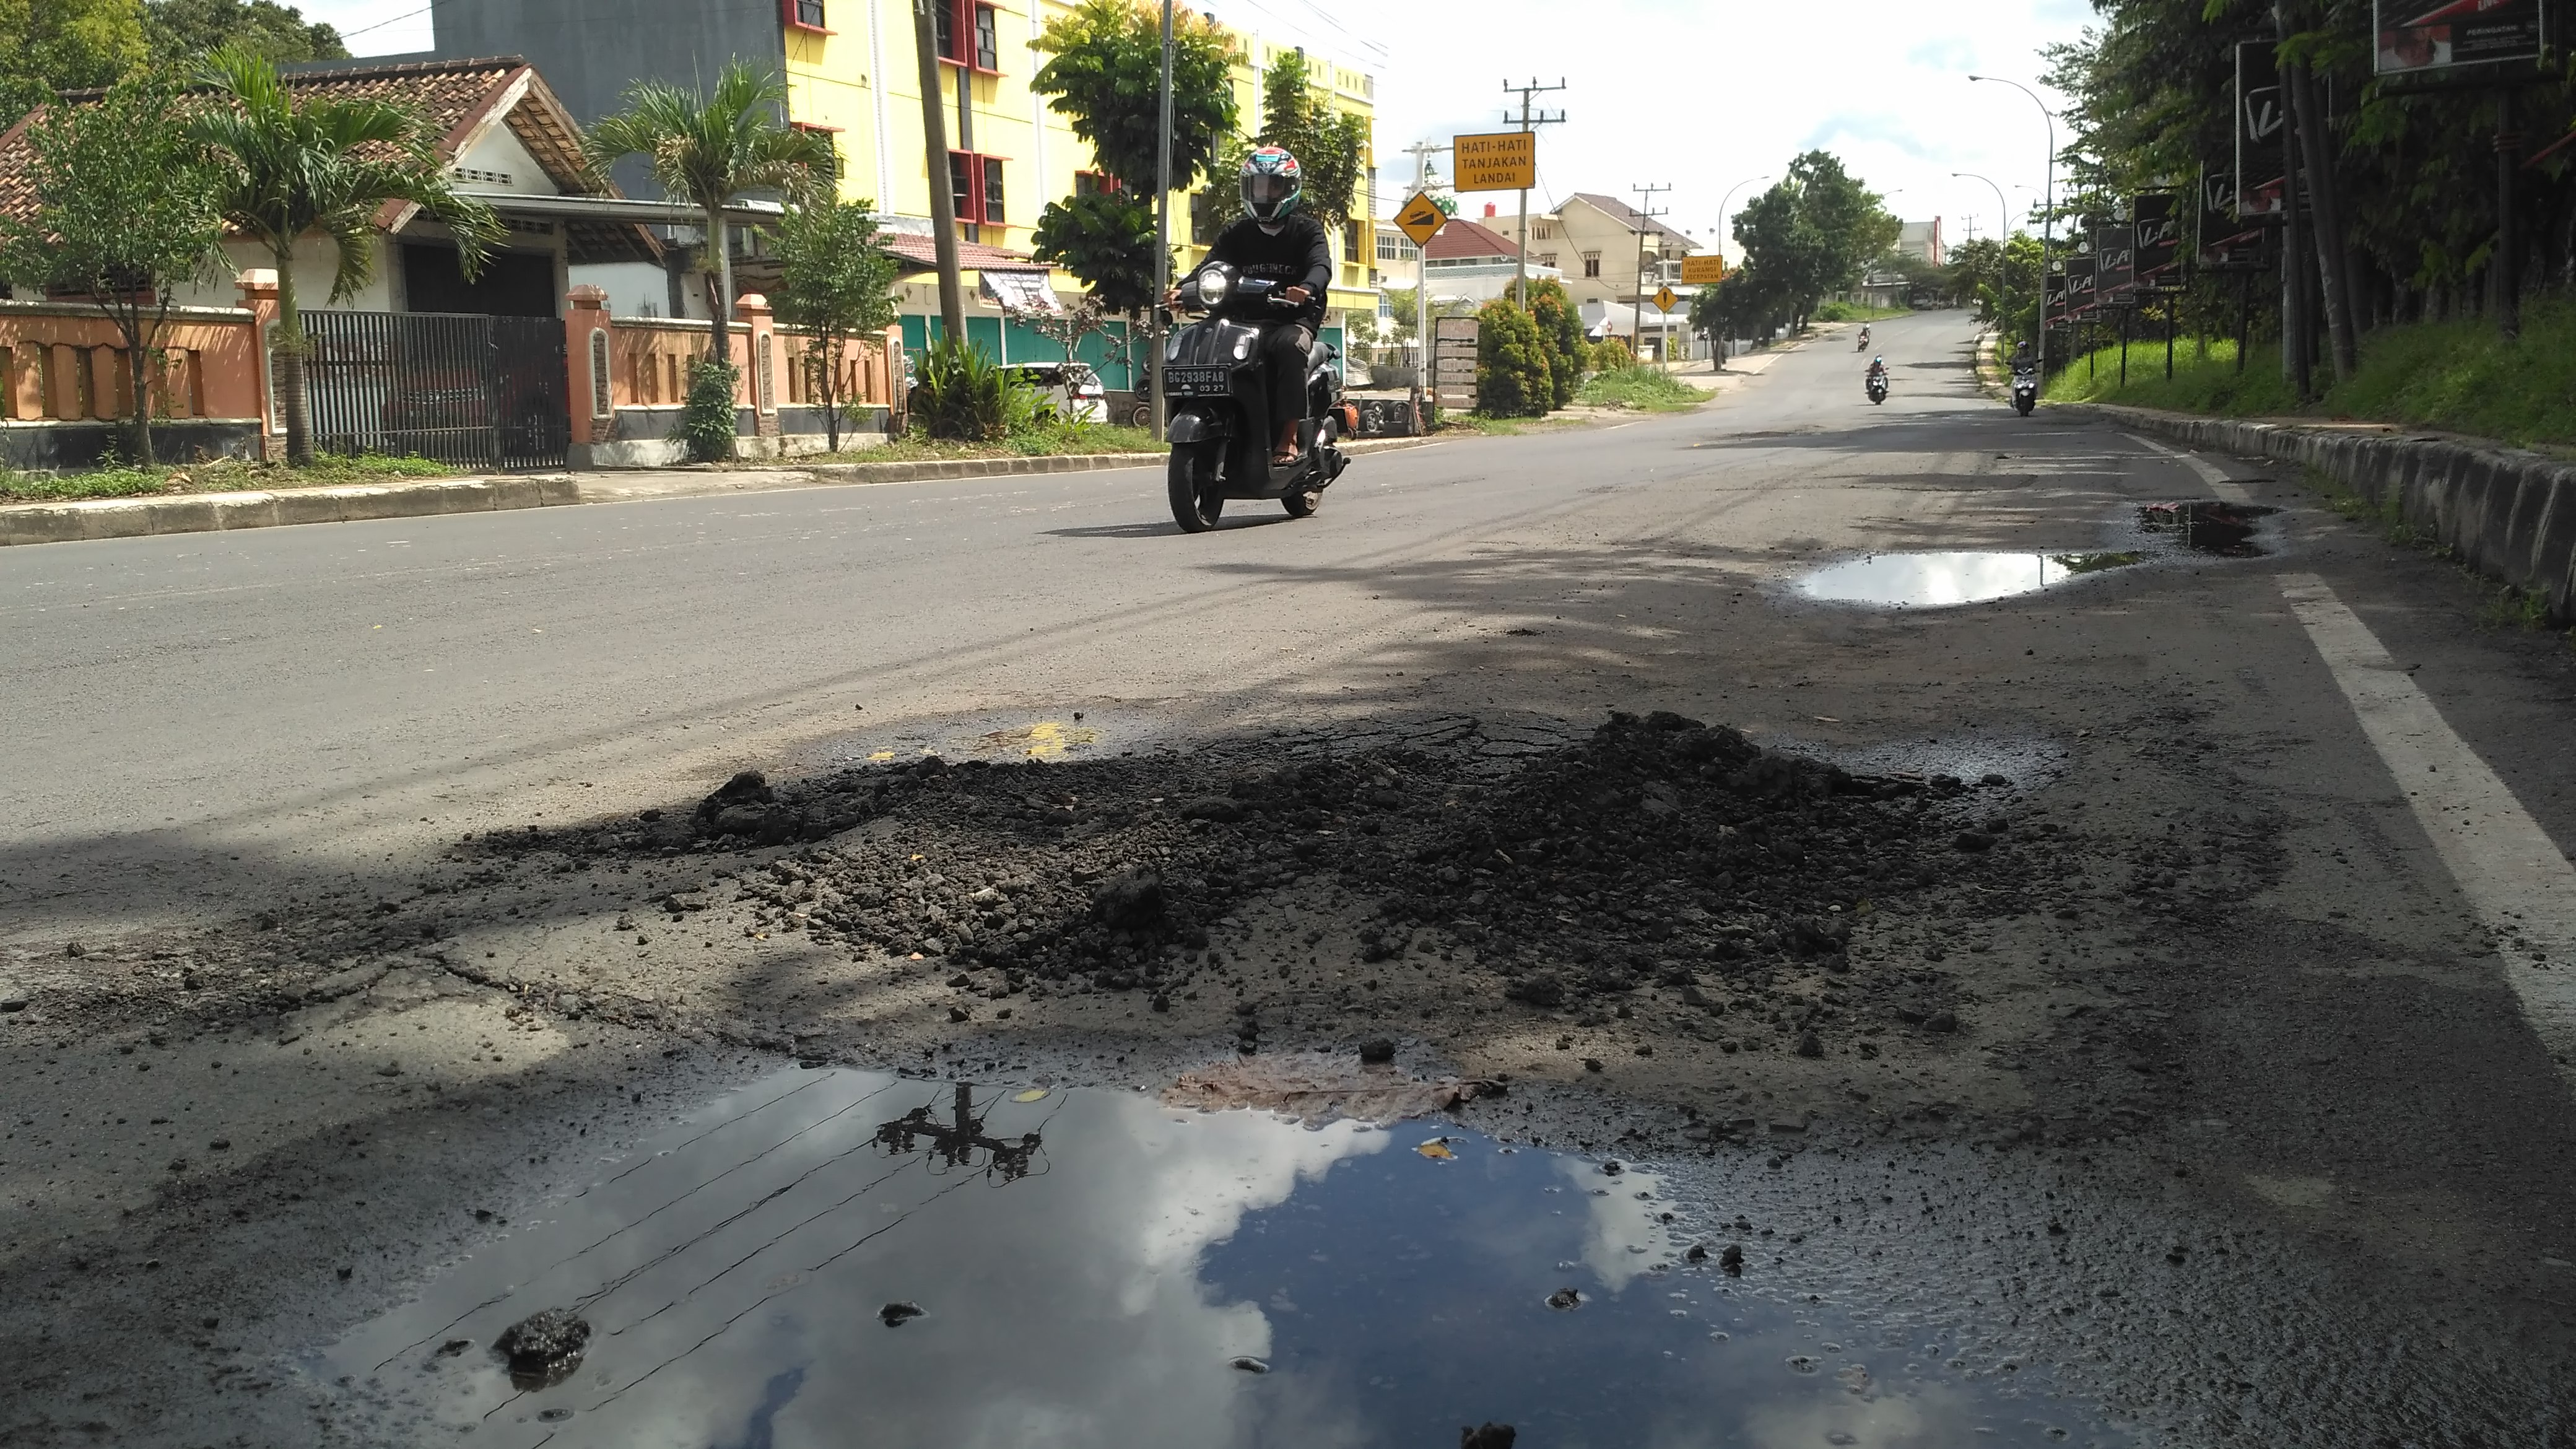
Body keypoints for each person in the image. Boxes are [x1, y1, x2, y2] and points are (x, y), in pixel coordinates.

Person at [1169, 146, 1334, 464]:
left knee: (1289, 348)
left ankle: (1287, 439)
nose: (1265, 193)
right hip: (1242, 319)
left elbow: (1321, 266)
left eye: (1273, 185)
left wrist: (1306, 288)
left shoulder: (1307, 231)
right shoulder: (1236, 233)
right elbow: (1209, 267)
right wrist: (1179, 289)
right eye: (1258, 185)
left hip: (1292, 320)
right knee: (1199, 342)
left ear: (1289, 188)